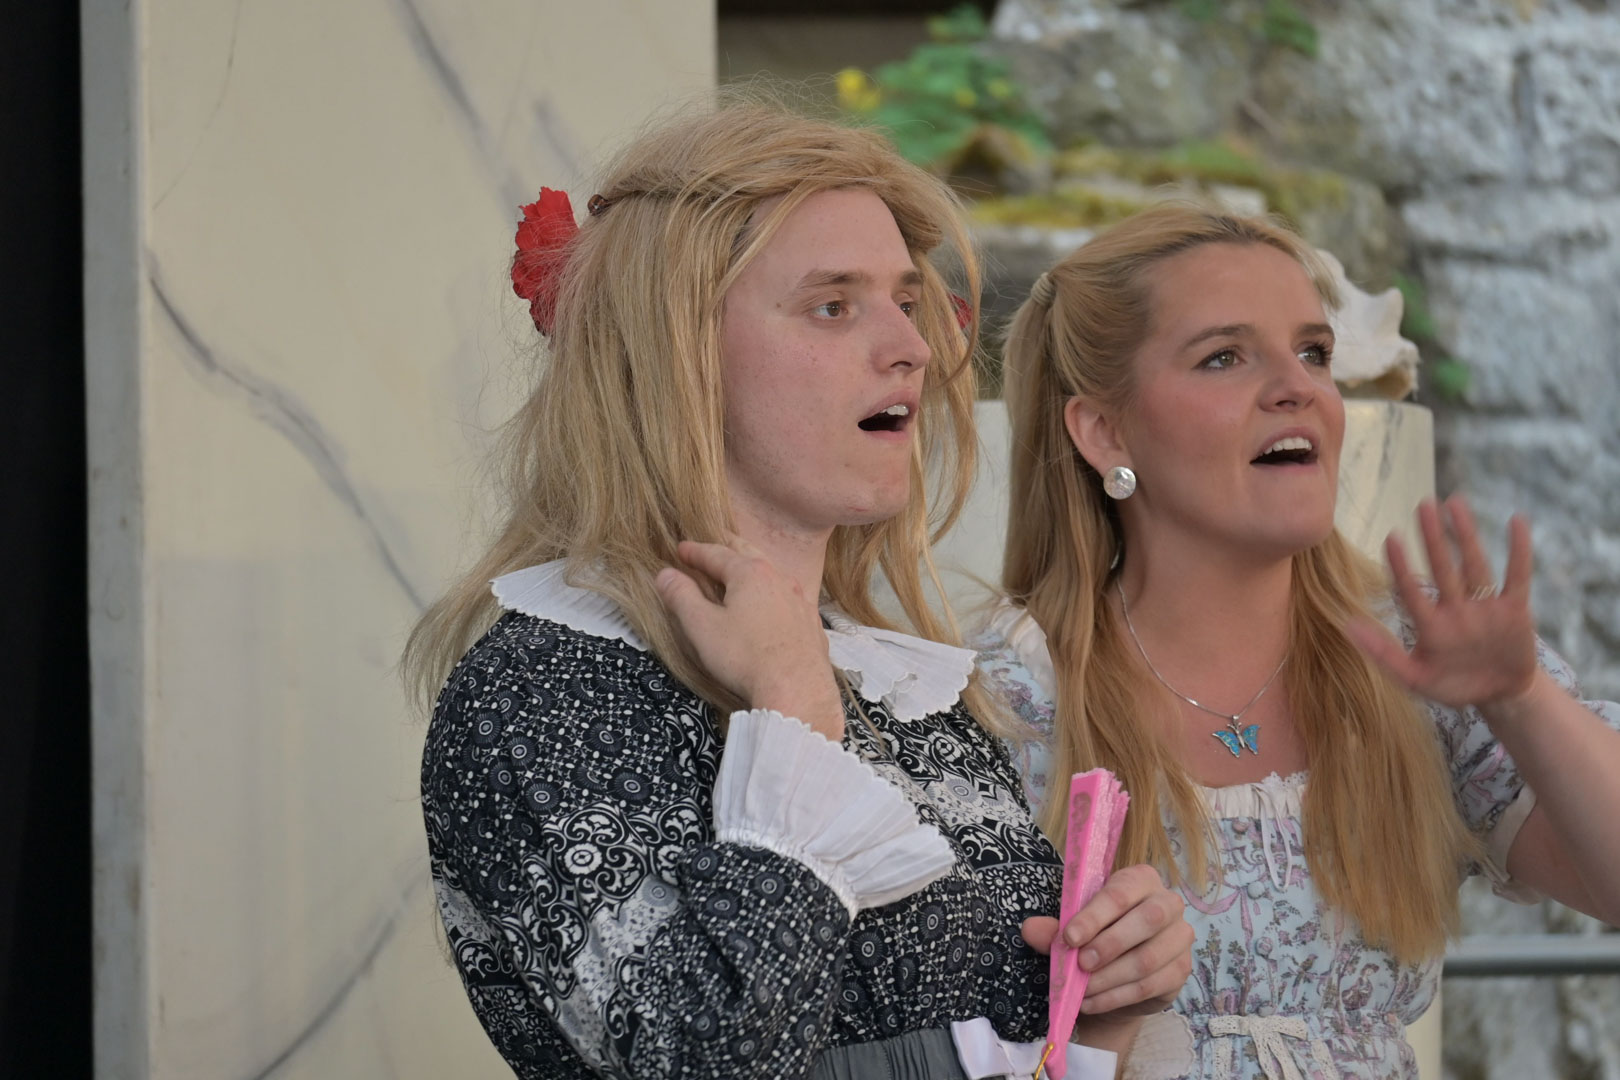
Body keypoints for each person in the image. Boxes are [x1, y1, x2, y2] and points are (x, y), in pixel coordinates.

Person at [405, 103, 1195, 1080]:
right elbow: (704, 1061)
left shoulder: (899, 688)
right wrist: (790, 719)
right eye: (833, 305)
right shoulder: (540, 692)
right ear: (675, 354)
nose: (912, 347)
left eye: (906, 300)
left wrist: (1104, 1008)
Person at [973, 203, 1620, 1080]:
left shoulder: (1417, 656)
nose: (1298, 388)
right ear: (1105, 431)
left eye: (1313, 353)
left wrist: (1521, 697)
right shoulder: (1002, 700)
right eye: (1224, 357)